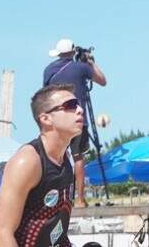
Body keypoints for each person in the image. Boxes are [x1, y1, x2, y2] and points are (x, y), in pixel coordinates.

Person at [0, 84, 84, 247]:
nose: (79, 109)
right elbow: (2, 235)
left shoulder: (66, 159)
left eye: (77, 104)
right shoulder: (27, 161)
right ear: (46, 118)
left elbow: (55, 230)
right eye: (70, 106)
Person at [42, 38, 107, 208]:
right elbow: (102, 80)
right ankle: (79, 199)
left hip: (57, 120)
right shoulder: (81, 68)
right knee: (78, 157)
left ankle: (55, 200)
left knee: (56, 158)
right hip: (77, 120)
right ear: (73, 52)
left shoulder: (49, 70)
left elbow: (44, 95)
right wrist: (91, 63)